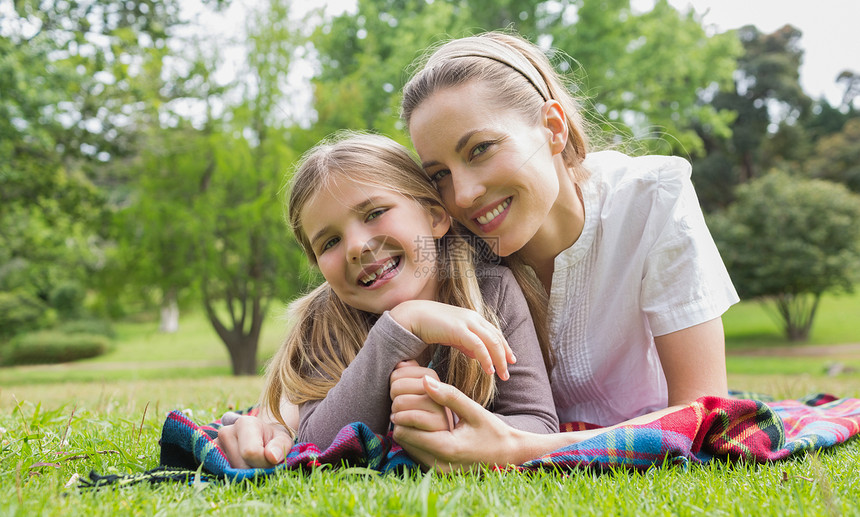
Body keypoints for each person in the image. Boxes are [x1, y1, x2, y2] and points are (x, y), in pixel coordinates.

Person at [390, 31, 740, 471]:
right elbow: (342, 312)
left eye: (480, 149)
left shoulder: (652, 198)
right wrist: (279, 412)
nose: (463, 195)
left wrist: (516, 449)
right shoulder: (451, 243)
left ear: (553, 128)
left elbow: (709, 417)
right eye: (439, 174)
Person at [215, 132, 558, 467]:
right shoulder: (326, 319)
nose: (354, 247)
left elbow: (539, 425)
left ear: (435, 216)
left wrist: (453, 427)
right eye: (329, 242)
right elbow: (315, 445)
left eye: (374, 213)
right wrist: (399, 327)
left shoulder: (491, 291)